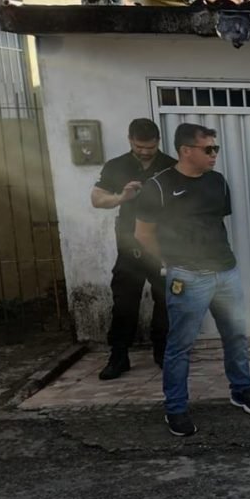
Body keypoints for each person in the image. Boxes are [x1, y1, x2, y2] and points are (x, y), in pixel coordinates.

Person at [134, 123, 250, 436]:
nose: (214, 154)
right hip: (188, 277)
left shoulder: (217, 182)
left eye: (215, 148)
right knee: (180, 345)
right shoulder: (159, 187)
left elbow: (215, 222)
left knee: (236, 335)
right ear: (185, 151)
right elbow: (142, 233)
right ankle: (176, 408)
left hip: (226, 272)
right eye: (208, 149)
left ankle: (241, 390)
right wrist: (169, 263)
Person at [91, 119, 176, 379]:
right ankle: (119, 356)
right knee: (124, 303)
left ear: (158, 142)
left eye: (150, 146)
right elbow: (96, 198)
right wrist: (121, 198)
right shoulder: (117, 166)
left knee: (165, 302)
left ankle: (163, 352)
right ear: (130, 140)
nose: (145, 151)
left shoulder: (170, 166)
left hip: (162, 247)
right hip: (129, 247)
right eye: (140, 146)